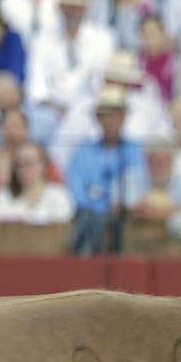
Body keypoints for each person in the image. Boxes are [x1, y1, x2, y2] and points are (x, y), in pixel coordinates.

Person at [26, 0, 116, 143]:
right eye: (68, 5)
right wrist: (58, 110)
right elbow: (37, 89)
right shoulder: (41, 39)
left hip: (88, 111)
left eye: (77, 5)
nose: (72, 11)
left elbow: (101, 85)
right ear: (59, 6)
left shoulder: (103, 38)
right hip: (50, 112)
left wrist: (77, 112)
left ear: (85, 7)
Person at [65, 85, 147, 254]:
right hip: (91, 219)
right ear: (98, 118)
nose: (112, 120)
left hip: (129, 223)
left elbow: (141, 186)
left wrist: (125, 206)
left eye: (117, 115)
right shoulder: (82, 153)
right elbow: (76, 192)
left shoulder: (137, 151)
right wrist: (103, 207)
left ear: (124, 118)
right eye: (106, 115)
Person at [0, 141, 75, 223]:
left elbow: (63, 229)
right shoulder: (3, 195)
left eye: (29, 163)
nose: (23, 169)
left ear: (43, 165)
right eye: (19, 165)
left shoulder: (58, 195)